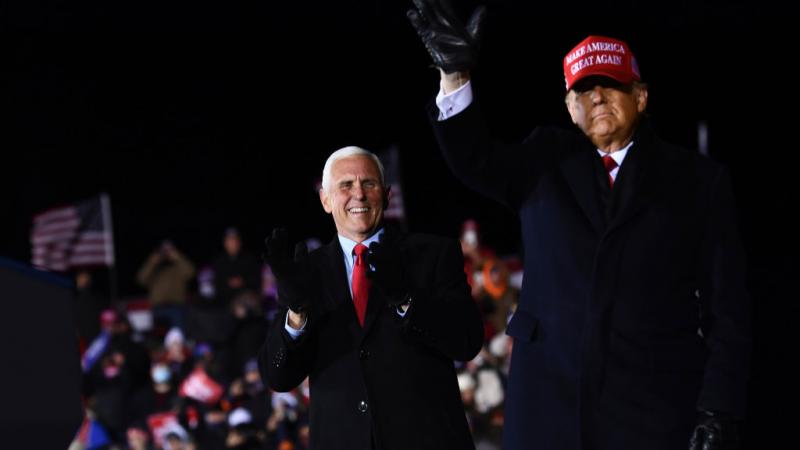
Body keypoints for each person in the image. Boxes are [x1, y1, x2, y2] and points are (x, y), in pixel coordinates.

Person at [408, 2, 751, 449]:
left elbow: (728, 310)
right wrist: (454, 76)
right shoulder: (543, 160)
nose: (597, 98)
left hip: (654, 410)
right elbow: (474, 159)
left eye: (611, 86)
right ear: (570, 108)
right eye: (584, 90)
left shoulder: (696, 180)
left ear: (641, 97)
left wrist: (718, 409)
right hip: (549, 409)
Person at [259, 146, 484, 450]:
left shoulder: (433, 254)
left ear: (387, 194)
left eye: (369, 183)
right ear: (326, 199)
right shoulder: (305, 272)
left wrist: (406, 298)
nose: (359, 195)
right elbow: (278, 376)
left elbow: (466, 341)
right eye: (345, 185)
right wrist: (297, 315)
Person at [137, 239, 195, 331]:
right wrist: (152, 262)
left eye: (169, 250)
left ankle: (179, 341)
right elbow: (141, 279)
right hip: (158, 308)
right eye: (164, 251)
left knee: (180, 313)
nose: (166, 253)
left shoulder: (178, 268)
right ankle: (176, 341)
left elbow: (190, 272)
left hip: (177, 305)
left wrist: (177, 257)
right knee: (174, 314)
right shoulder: (154, 270)